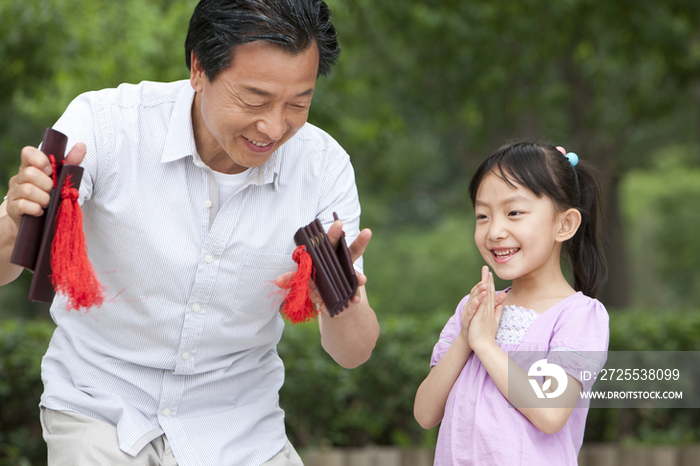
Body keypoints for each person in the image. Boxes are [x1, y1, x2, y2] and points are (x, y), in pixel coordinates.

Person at [0, 0, 379, 465]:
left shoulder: (323, 169)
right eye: (255, 99)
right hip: (100, 405)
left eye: (298, 103)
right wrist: (17, 220)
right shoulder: (105, 124)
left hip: (240, 429)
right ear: (199, 68)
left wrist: (341, 303)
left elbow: (353, 354)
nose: (274, 126)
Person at [413, 142, 609, 465]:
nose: (495, 231)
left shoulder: (579, 316)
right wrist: (465, 338)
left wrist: (485, 345)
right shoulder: (474, 308)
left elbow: (550, 413)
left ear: (565, 224)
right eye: (482, 215)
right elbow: (424, 413)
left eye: (514, 212)